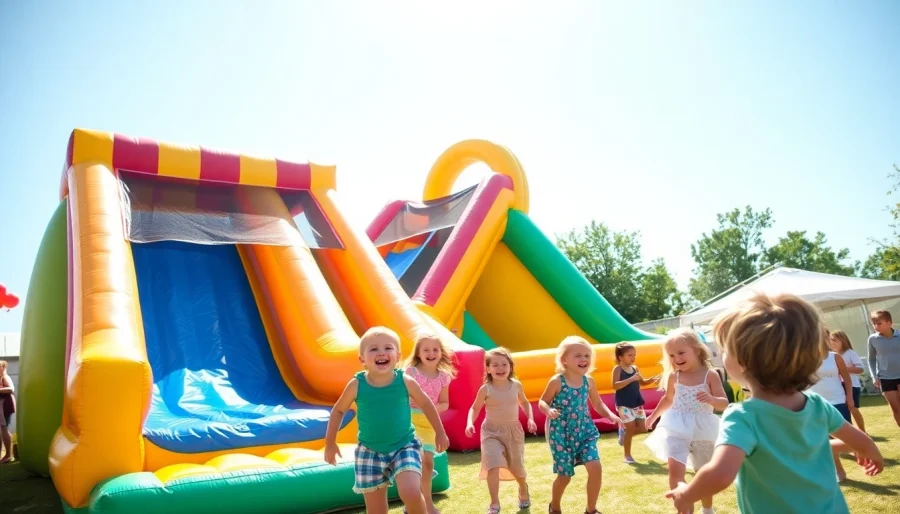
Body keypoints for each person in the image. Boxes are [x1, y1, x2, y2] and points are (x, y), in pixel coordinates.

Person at [666, 293, 884, 514]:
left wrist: (686, 494)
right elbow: (859, 440)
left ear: (743, 361)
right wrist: (872, 453)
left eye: (725, 350)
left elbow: (721, 474)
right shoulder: (817, 405)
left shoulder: (743, 416)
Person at [324, 327, 449, 514]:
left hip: (404, 445)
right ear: (362, 359)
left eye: (387, 348)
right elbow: (338, 410)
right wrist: (330, 442)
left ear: (398, 356)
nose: (381, 352)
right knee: (376, 510)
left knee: (412, 492)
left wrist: (440, 432)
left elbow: (426, 403)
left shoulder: (405, 380)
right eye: (373, 349)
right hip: (369, 450)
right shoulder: (357, 384)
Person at [645, 328, 728, 514]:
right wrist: (653, 416)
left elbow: (724, 403)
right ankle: (684, 510)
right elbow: (668, 399)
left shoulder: (710, 375)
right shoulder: (675, 376)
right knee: (675, 471)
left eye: (681, 353)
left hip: (703, 429)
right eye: (672, 355)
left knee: (702, 474)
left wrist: (713, 400)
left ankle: (707, 509)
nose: (676, 358)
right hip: (676, 427)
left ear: (697, 350)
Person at [539, 336, 621, 514]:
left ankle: (591, 510)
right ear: (564, 360)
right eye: (577, 355)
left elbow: (598, 404)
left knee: (595, 467)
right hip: (560, 434)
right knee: (565, 476)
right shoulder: (556, 381)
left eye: (586, 355)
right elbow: (542, 402)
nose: (583, 359)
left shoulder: (588, 381)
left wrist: (611, 415)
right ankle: (555, 507)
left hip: (584, 431)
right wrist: (548, 410)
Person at [465, 347, 537, 514]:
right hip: (490, 432)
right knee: (493, 464)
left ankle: (523, 488)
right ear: (488, 369)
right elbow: (474, 409)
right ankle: (494, 503)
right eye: (495, 365)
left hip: (513, 431)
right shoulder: (486, 389)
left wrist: (531, 418)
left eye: (504, 364)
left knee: (517, 468)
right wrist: (470, 423)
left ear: (510, 367)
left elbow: (525, 403)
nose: (500, 368)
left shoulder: (516, 386)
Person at [404, 333, 456, 514]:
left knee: (427, 463)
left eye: (435, 349)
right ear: (418, 352)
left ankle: (426, 502)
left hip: (429, 422)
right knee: (414, 461)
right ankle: (414, 502)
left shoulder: (443, 377)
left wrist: (431, 407)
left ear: (441, 353)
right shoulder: (411, 372)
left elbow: (445, 403)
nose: (431, 353)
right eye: (426, 349)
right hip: (410, 420)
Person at [611, 342, 659, 464]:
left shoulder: (635, 369)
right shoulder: (618, 369)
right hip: (624, 404)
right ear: (620, 357)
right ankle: (627, 456)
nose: (633, 358)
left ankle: (623, 434)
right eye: (630, 355)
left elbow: (642, 382)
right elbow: (615, 385)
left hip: (636, 402)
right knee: (631, 428)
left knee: (643, 428)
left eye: (634, 355)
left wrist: (651, 380)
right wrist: (631, 379)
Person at [867, 310, 900, 428]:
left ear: (889, 323)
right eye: (873, 324)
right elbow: (871, 359)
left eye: (879, 323)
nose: (876, 326)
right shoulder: (872, 339)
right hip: (885, 378)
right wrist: (874, 376)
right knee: (896, 409)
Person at [828, 330, 866, 432]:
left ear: (843, 340)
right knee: (844, 410)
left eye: (835, 340)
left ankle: (862, 432)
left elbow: (860, 369)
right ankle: (850, 431)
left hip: (852, 385)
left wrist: (843, 369)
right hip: (839, 386)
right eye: (831, 340)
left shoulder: (850, 353)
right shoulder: (832, 355)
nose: (832, 343)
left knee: (853, 409)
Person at [0, 360, 14, 464]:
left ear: (3, 367)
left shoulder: (5, 377)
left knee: (4, 428)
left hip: (4, 406)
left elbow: (10, 388)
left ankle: (9, 455)